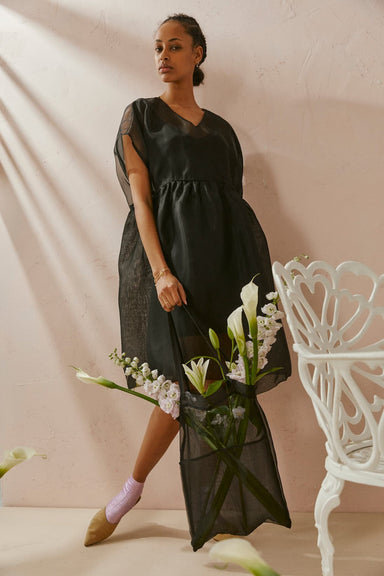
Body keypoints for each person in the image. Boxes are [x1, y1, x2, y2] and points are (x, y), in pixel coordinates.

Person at [84, 13, 291, 547]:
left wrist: (252, 283)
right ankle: (130, 491)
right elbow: (141, 199)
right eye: (157, 47)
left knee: (221, 389)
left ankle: (221, 515)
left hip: (226, 267)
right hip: (174, 269)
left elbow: (232, 207)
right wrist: (159, 271)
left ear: (198, 54)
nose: (162, 55)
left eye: (175, 46)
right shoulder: (141, 118)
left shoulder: (221, 130)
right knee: (178, 391)